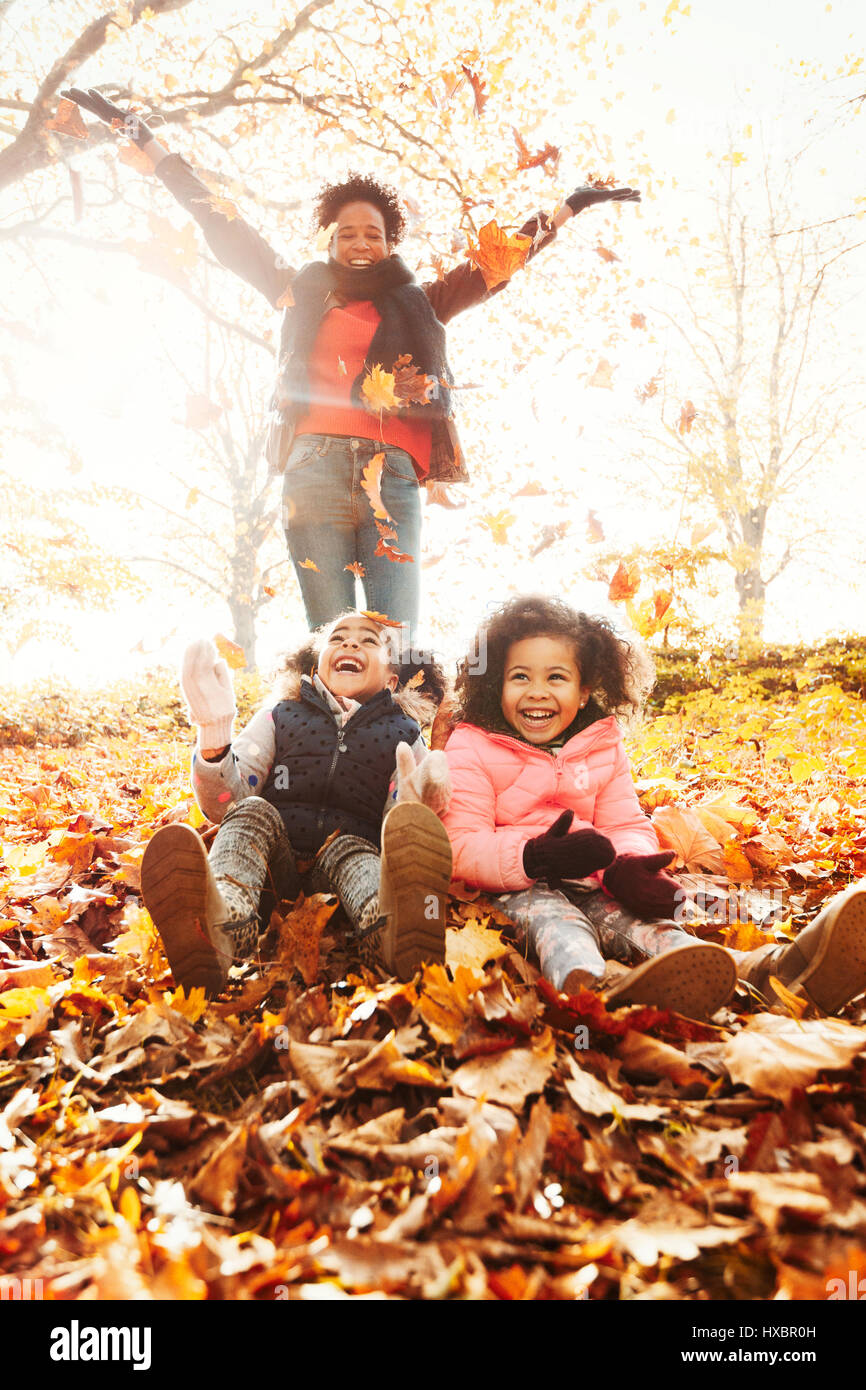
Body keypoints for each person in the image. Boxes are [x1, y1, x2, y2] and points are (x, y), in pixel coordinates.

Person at [60, 86, 641, 633]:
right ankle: (325, 739)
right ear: (329, 240)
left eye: (374, 234)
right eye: (347, 234)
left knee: (398, 639)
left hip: (391, 473)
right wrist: (146, 140)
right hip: (312, 468)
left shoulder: (422, 302)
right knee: (330, 641)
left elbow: (497, 265)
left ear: (390, 242)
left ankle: (399, 740)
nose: (361, 243)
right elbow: (220, 222)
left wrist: (569, 208)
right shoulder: (296, 288)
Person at [437, 595, 866, 1019]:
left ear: (584, 691)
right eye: (520, 677)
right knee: (559, 929)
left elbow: (623, 822)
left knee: (655, 928)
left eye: (555, 678)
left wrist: (627, 866)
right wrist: (534, 857)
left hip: (595, 879)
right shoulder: (473, 744)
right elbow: (460, 844)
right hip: (519, 886)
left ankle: (771, 972)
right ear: (497, 683)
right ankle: (595, 992)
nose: (537, 693)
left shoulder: (601, 745)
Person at [140, 611, 453, 995]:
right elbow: (226, 803)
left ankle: (391, 930)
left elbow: (399, 825)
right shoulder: (282, 715)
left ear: (391, 678)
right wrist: (214, 732)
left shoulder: (402, 732)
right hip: (273, 868)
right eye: (337, 638)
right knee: (252, 812)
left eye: (369, 641)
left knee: (353, 848)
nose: (350, 644)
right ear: (316, 666)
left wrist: (414, 805)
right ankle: (221, 925)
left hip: (345, 869)